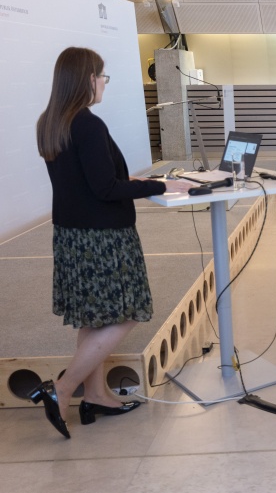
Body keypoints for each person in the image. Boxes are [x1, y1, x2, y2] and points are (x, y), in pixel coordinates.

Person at [28, 47, 191, 439]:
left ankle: (97, 394)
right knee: (128, 313)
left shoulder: (50, 122)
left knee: (93, 317)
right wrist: (163, 184)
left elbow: (85, 183)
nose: (104, 83)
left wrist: (136, 181)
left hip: (72, 236)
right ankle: (64, 389)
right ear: (87, 79)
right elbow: (105, 189)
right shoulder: (87, 124)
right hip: (102, 239)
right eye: (103, 76)